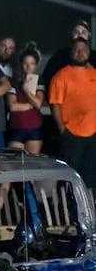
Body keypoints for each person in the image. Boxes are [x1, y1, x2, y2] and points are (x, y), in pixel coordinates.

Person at [48, 36, 96, 189]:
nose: (80, 52)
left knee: (90, 178)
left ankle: (89, 209)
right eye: (77, 49)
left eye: (83, 49)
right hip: (72, 135)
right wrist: (63, 130)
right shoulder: (61, 76)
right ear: (71, 52)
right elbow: (55, 105)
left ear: (89, 52)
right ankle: (67, 209)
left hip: (93, 135)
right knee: (69, 177)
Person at [5, 42, 45, 154]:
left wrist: (26, 89)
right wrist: (31, 105)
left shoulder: (39, 80)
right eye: (25, 63)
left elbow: (38, 103)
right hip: (16, 126)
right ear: (21, 64)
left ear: (36, 65)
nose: (28, 67)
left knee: (32, 163)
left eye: (32, 64)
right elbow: (13, 106)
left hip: (35, 127)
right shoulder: (12, 81)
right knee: (15, 165)